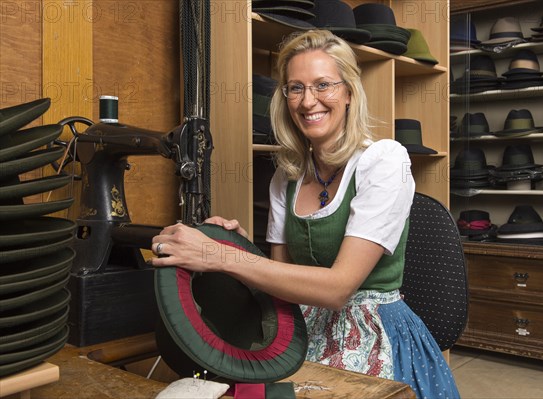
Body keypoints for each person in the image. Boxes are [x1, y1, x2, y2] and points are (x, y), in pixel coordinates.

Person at [151, 29, 460, 398]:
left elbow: (338, 289)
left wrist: (218, 255)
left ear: (348, 92)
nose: (308, 101)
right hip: (301, 326)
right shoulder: (287, 176)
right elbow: (283, 283)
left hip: (373, 331)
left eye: (323, 85)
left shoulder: (384, 160)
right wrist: (238, 245)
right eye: (295, 88)